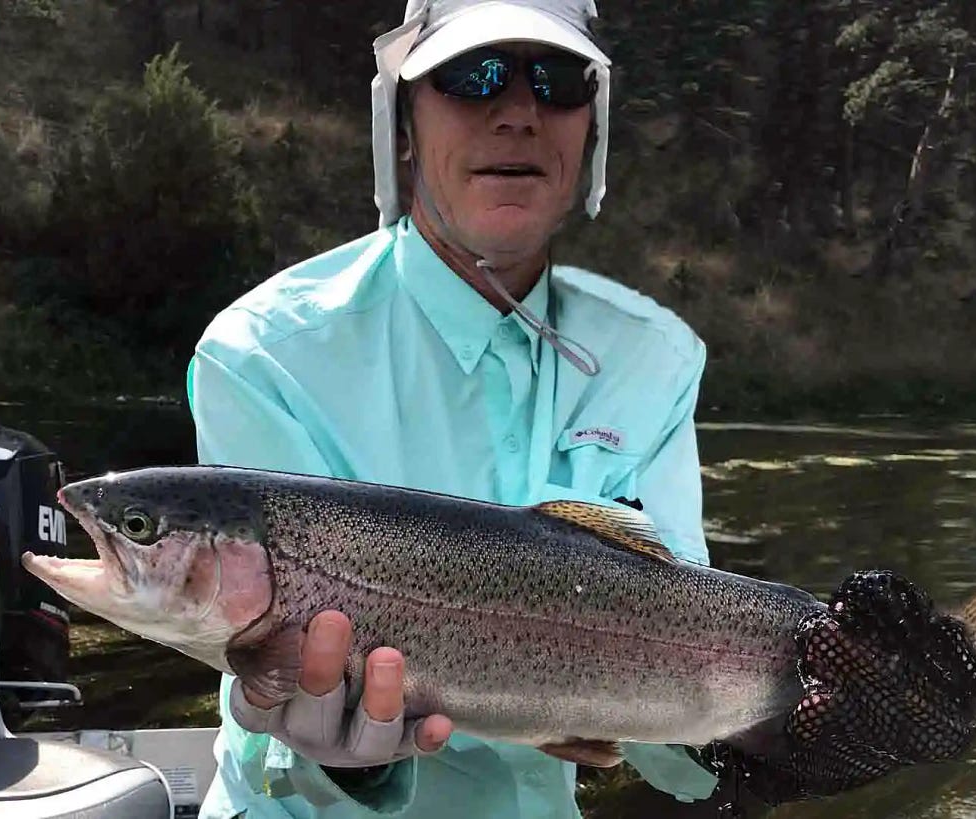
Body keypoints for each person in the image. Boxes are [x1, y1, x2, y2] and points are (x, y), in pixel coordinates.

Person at [185, 0, 722, 816]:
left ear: (592, 130)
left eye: (558, 80)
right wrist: (346, 768)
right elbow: (265, 698)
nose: (517, 113)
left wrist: (777, 735)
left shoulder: (655, 359)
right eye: (472, 77)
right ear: (402, 123)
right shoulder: (264, 354)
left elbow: (677, 692)